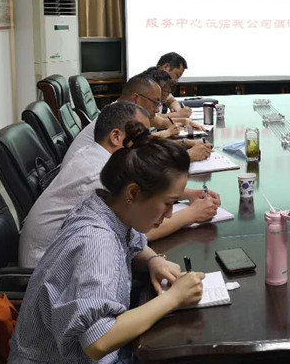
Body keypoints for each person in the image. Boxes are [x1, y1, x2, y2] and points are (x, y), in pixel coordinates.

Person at [7, 122, 207, 364]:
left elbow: (134, 242)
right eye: (168, 203)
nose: (169, 214)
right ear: (133, 192)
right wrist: (174, 298)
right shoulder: (96, 242)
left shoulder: (105, 206)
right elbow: (97, 341)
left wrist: (153, 260)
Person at [20, 102, 221, 266]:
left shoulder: (94, 154)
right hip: (49, 269)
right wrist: (191, 214)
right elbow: (141, 229)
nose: (147, 145)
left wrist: (184, 194)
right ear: (116, 137)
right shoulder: (98, 177)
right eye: (140, 138)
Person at [63, 74, 211, 167]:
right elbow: (142, 164)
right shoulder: (119, 121)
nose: (158, 109)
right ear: (136, 99)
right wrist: (188, 156)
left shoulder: (120, 112)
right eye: (155, 102)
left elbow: (146, 143)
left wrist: (184, 143)